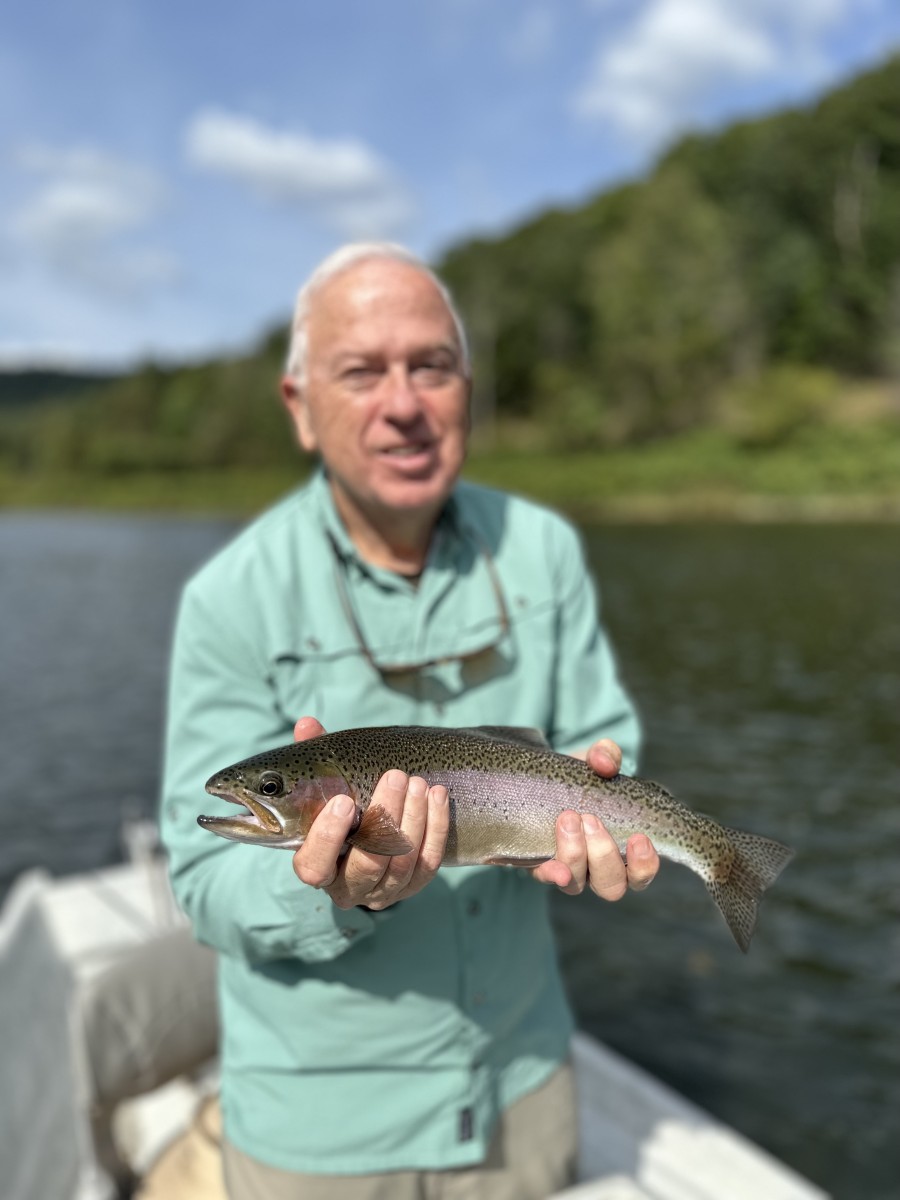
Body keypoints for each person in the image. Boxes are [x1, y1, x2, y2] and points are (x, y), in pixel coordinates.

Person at [160, 242, 659, 1200]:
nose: (404, 402)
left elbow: (604, 735)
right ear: (299, 408)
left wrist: (608, 808)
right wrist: (336, 890)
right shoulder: (229, 598)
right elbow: (207, 883)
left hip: (524, 1093)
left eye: (431, 365)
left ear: (467, 390)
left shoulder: (545, 550)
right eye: (361, 371)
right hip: (323, 1133)